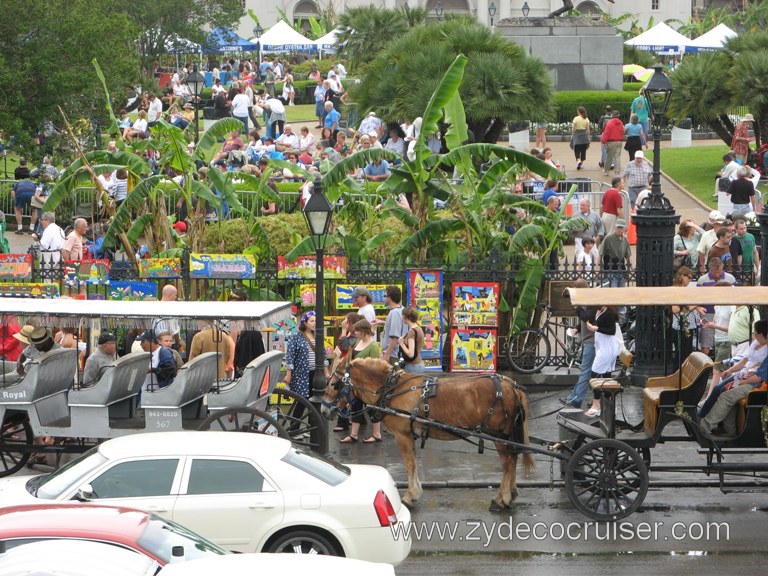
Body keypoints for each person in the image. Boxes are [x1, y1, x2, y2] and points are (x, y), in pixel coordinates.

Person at [699, 320, 768, 436]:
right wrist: (731, 371)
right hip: (747, 377)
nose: (754, 334)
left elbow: (759, 377)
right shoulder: (756, 343)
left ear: (761, 334)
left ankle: (704, 427)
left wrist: (742, 382)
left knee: (726, 396)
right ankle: (728, 429)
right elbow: (745, 361)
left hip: (757, 385)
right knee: (723, 390)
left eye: (755, 332)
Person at [339, 319, 383, 444]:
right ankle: (353, 434)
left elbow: (374, 366)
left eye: (357, 331)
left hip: (368, 384)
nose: (355, 333)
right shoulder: (359, 341)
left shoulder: (373, 346)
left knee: (372, 408)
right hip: (356, 382)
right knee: (356, 406)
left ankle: (377, 434)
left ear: (364, 331)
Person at [561, 278, 599, 409]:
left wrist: (577, 308)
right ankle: (574, 397)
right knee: (586, 371)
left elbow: (587, 317)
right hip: (588, 341)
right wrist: (577, 328)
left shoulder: (592, 302)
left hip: (592, 341)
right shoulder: (587, 301)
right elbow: (584, 320)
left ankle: (576, 399)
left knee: (585, 372)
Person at [284, 311, 325, 433]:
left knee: (315, 403)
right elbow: (290, 356)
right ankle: (294, 429)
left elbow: (323, 355)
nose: (314, 323)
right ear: (305, 323)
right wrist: (288, 374)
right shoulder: (296, 336)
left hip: (316, 373)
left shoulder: (318, 336)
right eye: (312, 321)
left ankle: (310, 429)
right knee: (302, 401)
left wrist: (326, 372)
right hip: (302, 374)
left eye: (316, 321)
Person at [583, 305, 621, 417]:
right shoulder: (600, 311)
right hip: (603, 347)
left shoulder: (608, 313)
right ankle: (609, 402)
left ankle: (596, 404)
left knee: (595, 374)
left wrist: (596, 329)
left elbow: (611, 331)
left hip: (607, 349)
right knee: (605, 376)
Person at [328, 312, 363, 433]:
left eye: (345, 321)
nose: (344, 323)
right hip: (345, 367)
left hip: (347, 369)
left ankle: (343, 422)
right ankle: (355, 419)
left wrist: (343, 330)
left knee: (343, 394)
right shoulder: (352, 335)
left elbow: (343, 346)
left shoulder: (354, 337)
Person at [138, 330, 177, 395]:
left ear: (152, 341)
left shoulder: (164, 353)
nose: (140, 344)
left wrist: (152, 370)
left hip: (160, 395)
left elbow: (170, 371)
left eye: (143, 341)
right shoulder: (146, 354)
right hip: (147, 394)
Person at [600, 218, 631, 287]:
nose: (619, 230)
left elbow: (627, 255)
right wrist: (600, 269)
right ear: (615, 227)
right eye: (618, 227)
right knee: (613, 286)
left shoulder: (625, 239)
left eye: (621, 228)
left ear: (624, 229)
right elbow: (600, 253)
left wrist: (629, 267)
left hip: (621, 266)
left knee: (622, 286)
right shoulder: (608, 238)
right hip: (610, 266)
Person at [381, 285, 406, 365]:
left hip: (392, 354)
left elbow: (395, 336)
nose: (384, 298)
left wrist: (386, 355)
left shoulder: (395, 312)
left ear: (390, 297)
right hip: (397, 352)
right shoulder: (402, 309)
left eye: (385, 296)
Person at [398, 307, 424, 374]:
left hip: (412, 365)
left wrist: (401, 344)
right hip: (419, 363)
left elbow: (410, 354)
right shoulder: (419, 328)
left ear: (404, 316)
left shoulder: (411, 332)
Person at [601, 110, 624, 176]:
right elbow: (622, 131)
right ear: (618, 115)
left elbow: (606, 133)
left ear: (612, 116)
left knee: (609, 157)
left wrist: (604, 141)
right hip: (619, 141)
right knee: (618, 157)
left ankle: (606, 170)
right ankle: (617, 172)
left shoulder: (609, 123)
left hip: (611, 142)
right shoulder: (621, 123)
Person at [570, 106, 590, 171]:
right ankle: (581, 163)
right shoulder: (586, 119)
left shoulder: (576, 118)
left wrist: (572, 135)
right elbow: (588, 129)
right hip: (584, 135)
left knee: (577, 149)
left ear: (578, 112)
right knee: (583, 150)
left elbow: (573, 128)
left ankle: (578, 160)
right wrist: (588, 138)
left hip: (577, 135)